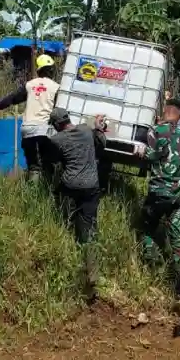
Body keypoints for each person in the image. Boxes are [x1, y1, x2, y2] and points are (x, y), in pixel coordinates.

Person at [135, 98, 180, 301]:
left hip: (160, 192)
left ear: (164, 112)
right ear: (179, 115)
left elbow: (152, 155)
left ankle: (153, 266)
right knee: (176, 236)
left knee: (147, 227)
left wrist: (141, 152)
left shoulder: (157, 132)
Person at [48, 107, 107, 294]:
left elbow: (53, 161)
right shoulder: (85, 130)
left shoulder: (56, 139)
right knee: (88, 227)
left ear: (57, 124)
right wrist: (98, 127)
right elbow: (102, 143)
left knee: (66, 219)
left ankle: (69, 255)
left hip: (71, 187)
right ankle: (92, 271)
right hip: (91, 186)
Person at [0, 54, 59, 181]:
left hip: (27, 129)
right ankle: (44, 191)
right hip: (44, 130)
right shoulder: (56, 87)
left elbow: (12, 98)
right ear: (51, 70)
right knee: (48, 162)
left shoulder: (30, 85)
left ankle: (32, 186)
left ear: (38, 70)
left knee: (33, 165)